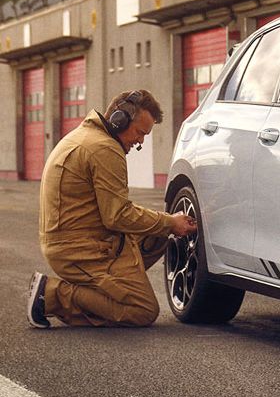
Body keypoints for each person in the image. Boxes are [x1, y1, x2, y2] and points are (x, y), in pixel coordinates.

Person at [27, 89, 197, 329]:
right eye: (139, 133)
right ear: (120, 119)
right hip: (81, 250)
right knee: (143, 310)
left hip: (77, 241)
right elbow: (117, 215)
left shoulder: (84, 135)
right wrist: (171, 222)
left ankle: (110, 289)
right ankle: (52, 295)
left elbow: (114, 212)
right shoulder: (105, 149)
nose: (140, 141)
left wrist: (165, 224)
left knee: (158, 234)